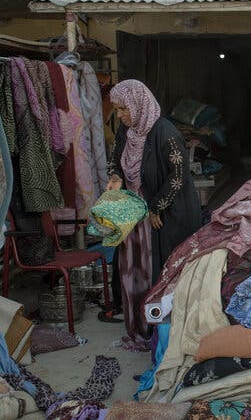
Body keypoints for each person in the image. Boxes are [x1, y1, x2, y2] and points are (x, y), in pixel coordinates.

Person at [102, 79, 202, 350]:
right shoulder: (126, 131)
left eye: (124, 108)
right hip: (133, 214)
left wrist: (156, 206)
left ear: (138, 103)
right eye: (118, 109)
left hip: (162, 215)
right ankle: (139, 326)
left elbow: (179, 175)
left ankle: (159, 332)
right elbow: (115, 160)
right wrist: (115, 176)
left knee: (157, 270)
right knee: (132, 269)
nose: (120, 115)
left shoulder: (165, 132)